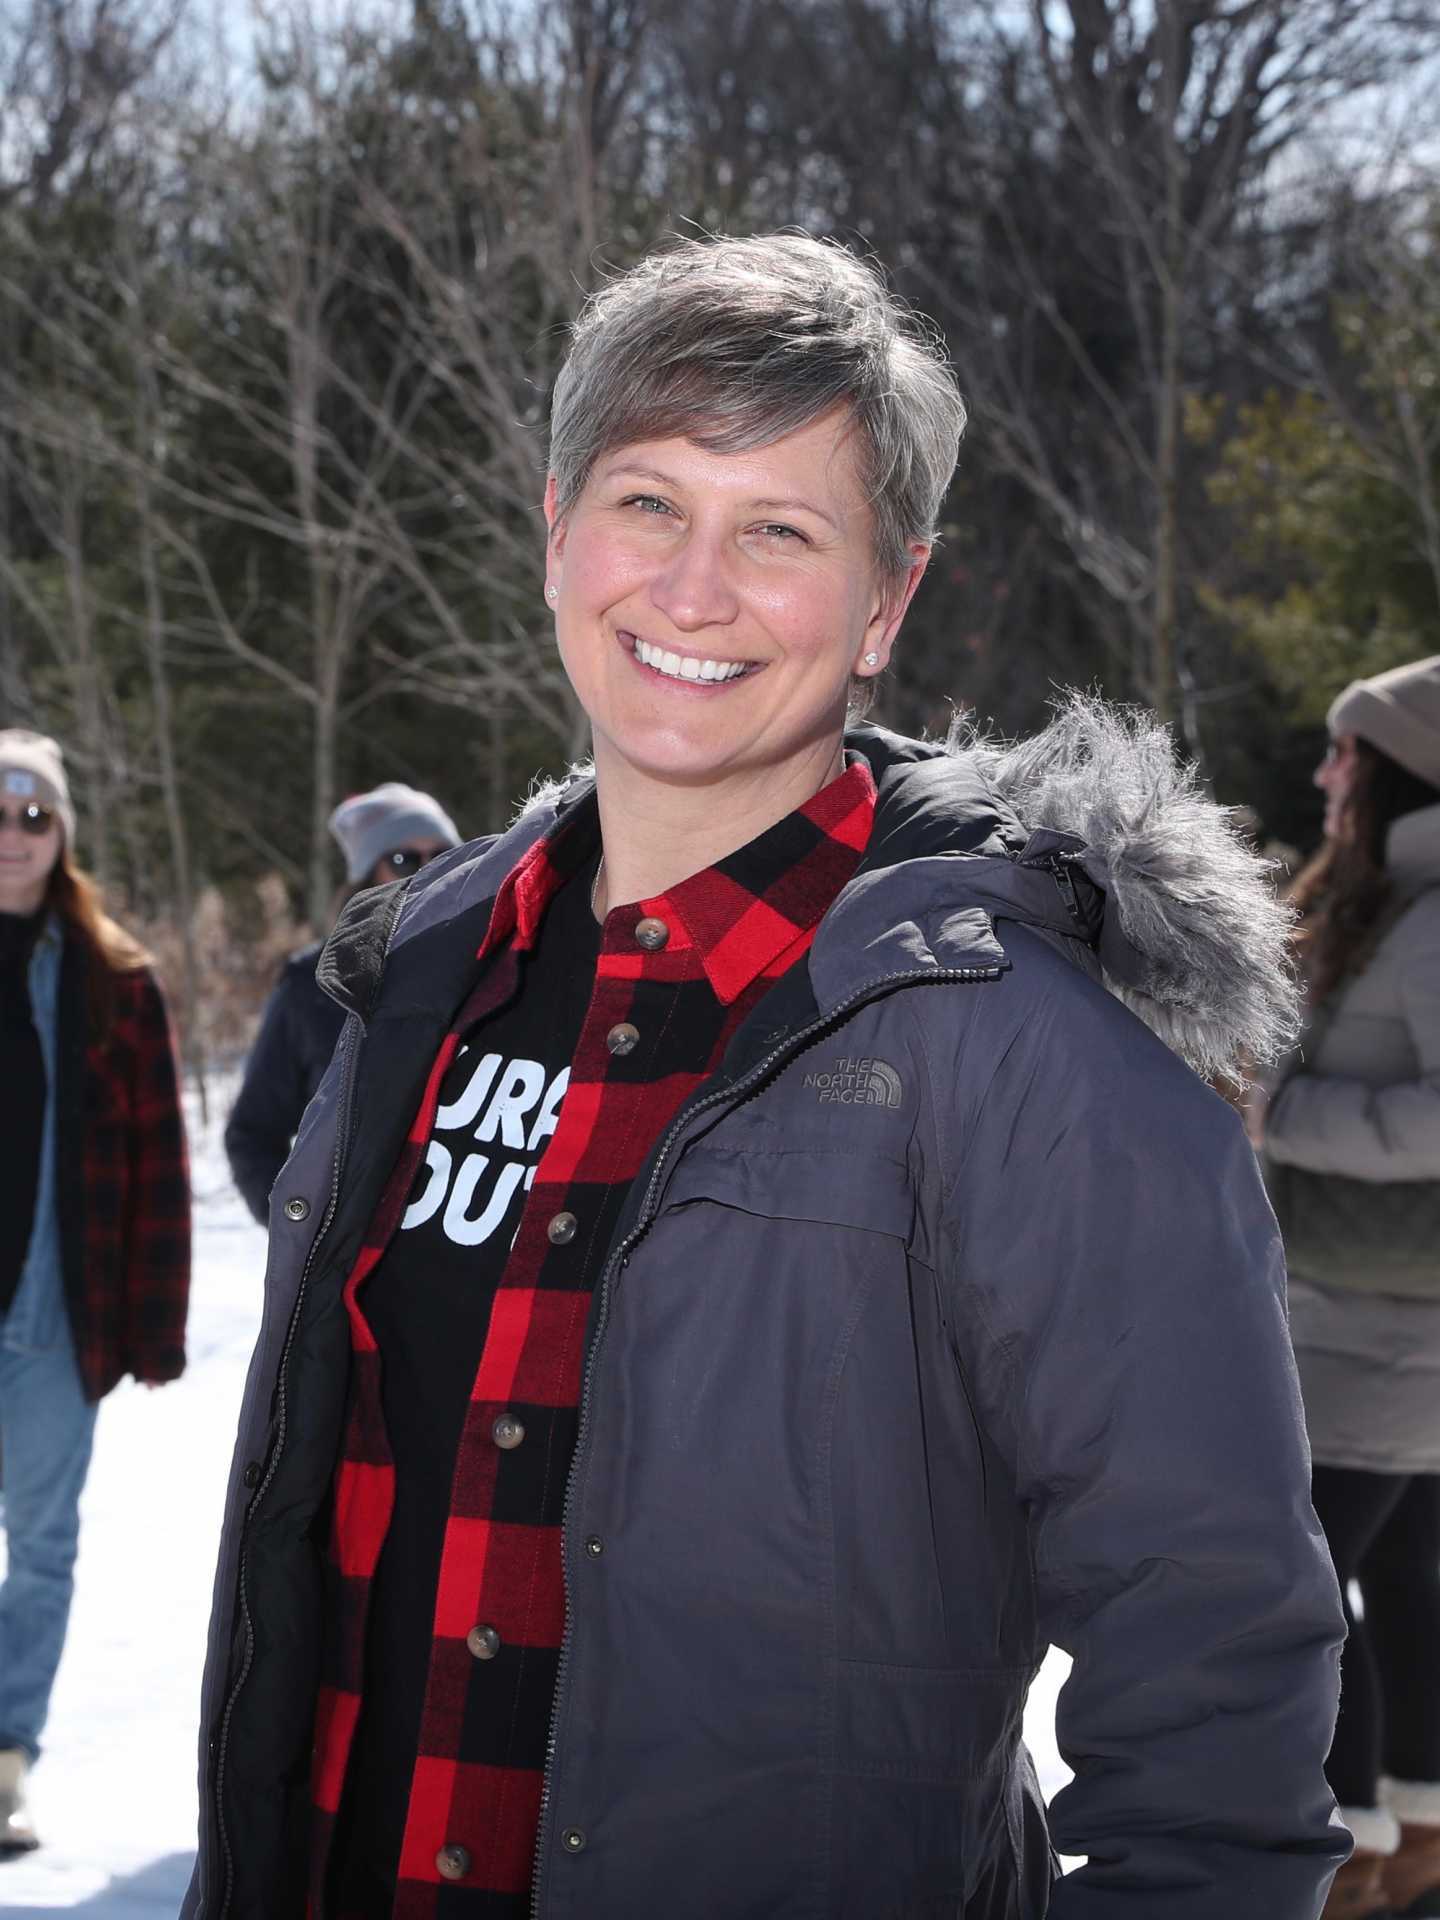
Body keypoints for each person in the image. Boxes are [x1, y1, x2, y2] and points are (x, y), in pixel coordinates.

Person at [184, 234, 1345, 1920]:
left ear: (887, 603)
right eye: (649, 502)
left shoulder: (1016, 1042)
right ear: (556, 533)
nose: (694, 587)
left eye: (782, 531)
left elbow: (1220, 1679)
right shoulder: (413, 979)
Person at [1254, 656, 1440, 1920]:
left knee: (1304, 1589)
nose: (1326, 773)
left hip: (1386, 1325)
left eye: (1347, 752)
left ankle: (1349, 1856)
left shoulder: (1432, 918)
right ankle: (1410, 1836)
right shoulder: (1392, 900)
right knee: (1401, 1577)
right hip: (1361, 1310)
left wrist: (1280, 1112)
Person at [0, 730, 190, 1856]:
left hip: (49, 1311)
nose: (16, 836)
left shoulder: (115, 981)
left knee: (44, 1544)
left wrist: (149, 1326)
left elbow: (159, 1159)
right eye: (0, 812)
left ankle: (5, 1757)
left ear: (64, 831)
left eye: (36, 816)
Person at [224, 783, 461, 1223]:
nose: (428, 871)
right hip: (352, 1265)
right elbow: (253, 1133)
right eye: (402, 860)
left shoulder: (498, 968)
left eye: (444, 855)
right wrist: (302, 1227)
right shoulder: (312, 986)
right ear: (366, 878)